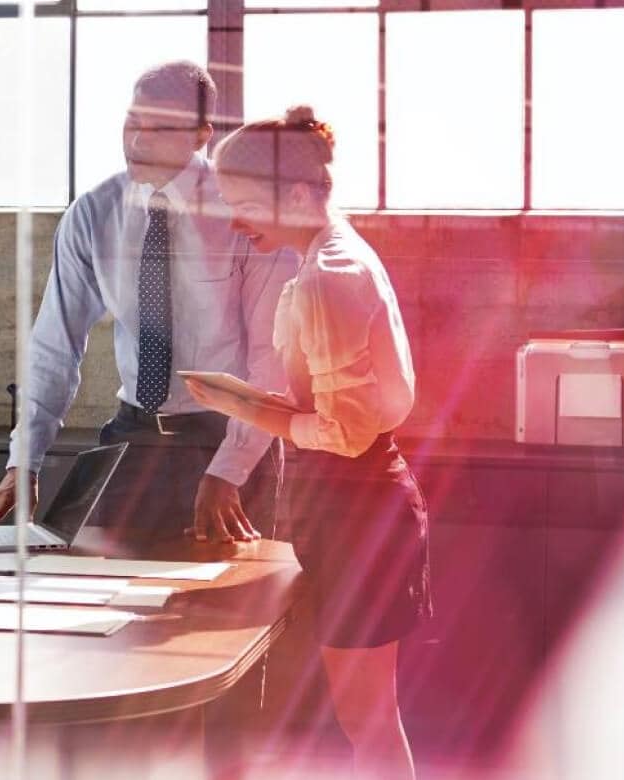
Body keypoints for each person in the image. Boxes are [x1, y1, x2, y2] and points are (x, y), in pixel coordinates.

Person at [183, 105, 432, 779]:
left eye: (242, 203)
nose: (234, 220)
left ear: (295, 194)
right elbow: (322, 410)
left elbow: (344, 435)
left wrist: (241, 403)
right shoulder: (329, 255)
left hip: (361, 511)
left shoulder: (330, 275)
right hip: (349, 508)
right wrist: (240, 397)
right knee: (365, 720)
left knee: (369, 720)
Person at [0, 61, 297, 544]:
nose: (137, 140)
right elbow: (55, 345)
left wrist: (231, 469)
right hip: (134, 434)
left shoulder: (244, 213)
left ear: (201, 135)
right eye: (132, 122)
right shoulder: (94, 213)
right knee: (99, 585)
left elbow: (271, 362)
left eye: (159, 127)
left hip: (229, 434)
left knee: (218, 606)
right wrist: (24, 460)